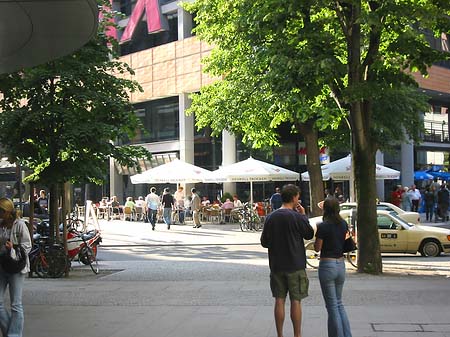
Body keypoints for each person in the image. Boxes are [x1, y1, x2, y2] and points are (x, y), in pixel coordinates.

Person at [260, 184, 314, 337]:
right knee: (296, 301)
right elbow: (309, 234)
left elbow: (264, 242)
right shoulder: (297, 217)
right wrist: (303, 216)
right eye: (298, 196)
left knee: (279, 300)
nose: (299, 199)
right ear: (294, 198)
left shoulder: (271, 217)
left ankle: (280, 334)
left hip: (277, 265)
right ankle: (297, 335)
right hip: (295, 264)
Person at [314, 197, 353, 337]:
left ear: (325, 209)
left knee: (331, 306)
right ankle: (346, 334)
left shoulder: (323, 225)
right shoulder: (343, 224)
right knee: (339, 304)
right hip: (340, 264)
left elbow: (317, 248)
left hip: (327, 265)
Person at [0, 198, 32, 337]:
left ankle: (14, 334)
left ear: (7, 211)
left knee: (16, 304)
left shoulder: (19, 225)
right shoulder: (1, 225)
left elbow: (27, 245)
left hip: (16, 267)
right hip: (2, 266)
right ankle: (10, 333)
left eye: (1, 211)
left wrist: (13, 248)